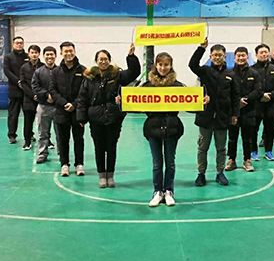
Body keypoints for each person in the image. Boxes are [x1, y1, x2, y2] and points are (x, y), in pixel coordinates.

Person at [77, 44, 140, 188]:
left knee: (111, 148)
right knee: (99, 148)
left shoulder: (118, 75)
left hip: (114, 118)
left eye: (105, 59)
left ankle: (110, 176)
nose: (103, 62)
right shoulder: (89, 78)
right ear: (96, 61)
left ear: (109, 60)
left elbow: (134, 72)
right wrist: (81, 117)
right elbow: (82, 98)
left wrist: (131, 57)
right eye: (100, 59)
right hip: (95, 119)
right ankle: (101, 176)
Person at [189, 38, 239, 187]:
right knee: (202, 148)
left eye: (220, 55)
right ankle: (201, 174)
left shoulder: (231, 74)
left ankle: (220, 173)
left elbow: (235, 96)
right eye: (215, 55)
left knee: (221, 148)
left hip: (223, 118)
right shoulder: (205, 71)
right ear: (210, 56)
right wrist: (201, 48)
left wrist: (235, 114)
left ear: (225, 56)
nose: (217, 57)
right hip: (205, 117)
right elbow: (192, 64)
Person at [143, 52, 185, 207]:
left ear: (171, 66)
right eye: (160, 64)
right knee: (157, 163)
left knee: (170, 162)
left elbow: (191, 104)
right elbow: (135, 104)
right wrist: (122, 101)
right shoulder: (147, 86)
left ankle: (168, 191)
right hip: (152, 129)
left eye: (166, 64)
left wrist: (202, 101)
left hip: (172, 128)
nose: (163, 67)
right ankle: (157, 191)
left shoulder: (178, 86)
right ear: (156, 65)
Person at [49, 41, 87, 177]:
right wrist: (64, 103)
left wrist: (75, 104)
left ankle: (79, 164)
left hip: (78, 112)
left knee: (79, 139)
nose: (69, 53)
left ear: (74, 52)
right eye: (66, 51)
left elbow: (85, 91)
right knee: (62, 140)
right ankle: (64, 164)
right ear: (61, 53)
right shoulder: (56, 72)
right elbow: (52, 90)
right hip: (61, 111)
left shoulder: (83, 71)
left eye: (71, 51)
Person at [225, 47, 261, 173]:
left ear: (247, 57)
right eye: (238, 55)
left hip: (249, 110)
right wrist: (237, 103)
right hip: (233, 112)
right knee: (232, 138)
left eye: (243, 55)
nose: (241, 58)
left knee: (247, 138)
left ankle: (247, 160)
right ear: (235, 58)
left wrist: (245, 100)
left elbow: (258, 90)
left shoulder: (254, 73)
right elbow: (226, 91)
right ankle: (231, 160)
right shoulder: (229, 73)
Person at [251, 43, 274, 162]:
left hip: (271, 104)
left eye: (266, 52)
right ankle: (253, 151)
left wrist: (271, 95)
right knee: (253, 129)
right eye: (261, 52)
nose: (264, 54)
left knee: (270, 129)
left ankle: (268, 151)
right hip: (256, 104)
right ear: (256, 55)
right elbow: (250, 87)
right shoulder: (251, 69)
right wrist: (261, 95)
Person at [31, 46, 59, 164]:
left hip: (58, 107)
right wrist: (46, 95)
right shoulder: (38, 72)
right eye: (47, 54)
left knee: (60, 133)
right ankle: (43, 153)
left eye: (51, 54)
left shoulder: (60, 71)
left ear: (55, 56)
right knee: (42, 132)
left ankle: (62, 153)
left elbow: (64, 87)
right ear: (44, 56)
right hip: (43, 106)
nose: (49, 57)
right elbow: (35, 87)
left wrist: (55, 97)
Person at [3, 36, 28, 144]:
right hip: (14, 90)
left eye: (21, 43)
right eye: (17, 43)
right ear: (13, 44)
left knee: (29, 114)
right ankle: (12, 135)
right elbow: (7, 71)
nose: (19, 45)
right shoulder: (8, 57)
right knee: (13, 114)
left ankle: (29, 134)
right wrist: (18, 81)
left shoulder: (27, 56)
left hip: (27, 90)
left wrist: (25, 83)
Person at [18, 44, 43, 150]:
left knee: (43, 122)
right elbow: (23, 83)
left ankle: (47, 141)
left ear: (39, 54)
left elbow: (46, 82)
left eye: (36, 53)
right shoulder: (24, 67)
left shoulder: (43, 66)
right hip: (28, 99)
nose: (34, 55)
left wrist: (40, 94)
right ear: (28, 54)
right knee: (28, 121)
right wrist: (33, 95)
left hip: (41, 99)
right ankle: (27, 142)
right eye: (32, 52)